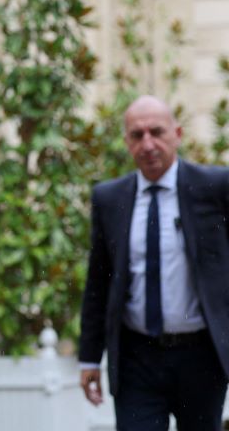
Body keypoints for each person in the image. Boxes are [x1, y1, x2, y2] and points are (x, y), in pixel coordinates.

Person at [78, 94, 229, 430]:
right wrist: (89, 358)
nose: (148, 144)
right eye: (137, 135)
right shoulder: (109, 198)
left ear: (177, 134)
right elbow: (98, 283)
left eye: (157, 132)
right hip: (137, 359)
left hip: (201, 357)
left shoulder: (215, 188)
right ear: (126, 142)